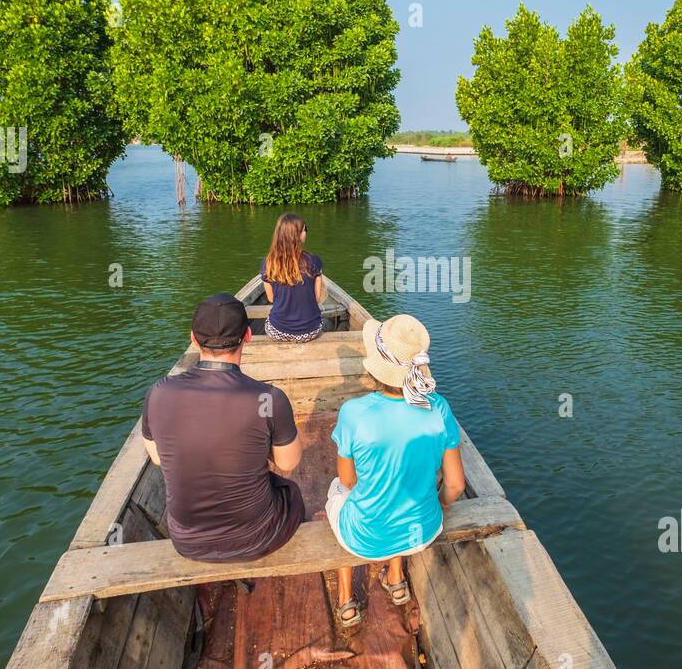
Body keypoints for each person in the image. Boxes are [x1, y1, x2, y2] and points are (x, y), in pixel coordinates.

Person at [140, 293, 306, 561]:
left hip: (186, 542)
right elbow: (288, 463)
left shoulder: (158, 393)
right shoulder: (268, 398)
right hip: (257, 537)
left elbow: (159, 458)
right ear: (248, 336)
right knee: (292, 493)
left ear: (193, 338)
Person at [325, 314, 466, 627]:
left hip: (364, 539)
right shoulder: (439, 407)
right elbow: (455, 485)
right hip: (424, 530)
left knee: (336, 489)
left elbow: (348, 482)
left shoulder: (354, 413)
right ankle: (396, 576)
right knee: (407, 485)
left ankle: (347, 600)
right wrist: (438, 504)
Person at [259, 213, 324, 342]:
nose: (306, 232)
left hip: (279, 331)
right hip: (311, 331)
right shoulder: (314, 261)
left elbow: (271, 298)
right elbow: (317, 298)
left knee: (268, 322)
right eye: (304, 229)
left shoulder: (267, 263)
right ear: (297, 235)